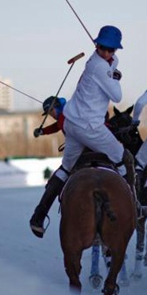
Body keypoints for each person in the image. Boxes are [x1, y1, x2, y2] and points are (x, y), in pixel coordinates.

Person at [29, 25, 134, 238]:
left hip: (71, 123)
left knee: (66, 168)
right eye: (103, 48)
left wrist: (112, 65)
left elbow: (112, 63)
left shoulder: (95, 62)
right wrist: (115, 75)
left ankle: (38, 216)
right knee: (125, 159)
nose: (107, 53)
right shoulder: (100, 68)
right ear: (97, 45)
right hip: (90, 128)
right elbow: (117, 97)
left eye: (111, 50)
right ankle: (135, 206)